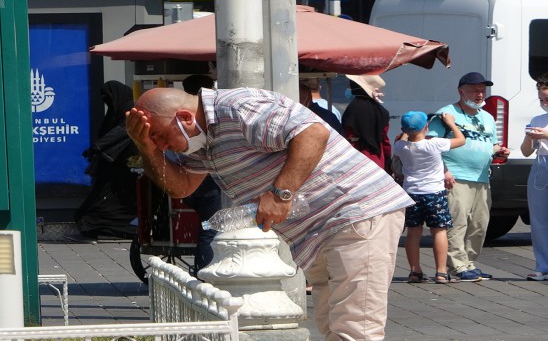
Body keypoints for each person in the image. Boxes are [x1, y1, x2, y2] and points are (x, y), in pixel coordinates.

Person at [125, 86, 414, 340]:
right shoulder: (202, 140)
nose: (164, 147)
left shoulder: (237, 108)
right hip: (319, 229)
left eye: (160, 137)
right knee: (333, 324)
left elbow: (313, 132)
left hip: (355, 211)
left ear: (185, 118)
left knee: (356, 328)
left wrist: (281, 193)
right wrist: (146, 148)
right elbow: (181, 187)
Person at [427, 72, 510, 282]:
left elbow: (490, 144)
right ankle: (458, 266)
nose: (480, 94)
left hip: (482, 178)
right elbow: (431, 146)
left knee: (480, 224)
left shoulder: (487, 117)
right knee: (457, 223)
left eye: (482, 90)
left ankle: (469, 262)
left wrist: (499, 150)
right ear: (460, 91)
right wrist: (444, 170)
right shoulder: (447, 114)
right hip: (456, 177)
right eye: (474, 90)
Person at [394, 111, 465, 284]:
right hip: (434, 192)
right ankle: (441, 271)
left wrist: (405, 130)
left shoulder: (400, 146)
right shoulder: (434, 144)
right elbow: (461, 140)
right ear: (426, 127)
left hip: (411, 192)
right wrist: (451, 123)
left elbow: (403, 138)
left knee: (413, 231)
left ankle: (415, 271)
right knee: (439, 230)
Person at [73, 81, 139, 241]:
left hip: (123, 169)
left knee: (103, 204)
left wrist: (97, 147)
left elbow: (121, 131)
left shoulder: (130, 111)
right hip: (113, 168)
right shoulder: (116, 111)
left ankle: (124, 229)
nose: (105, 100)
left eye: (107, 96)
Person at [180, 74, 222, 274]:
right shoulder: (207, 115)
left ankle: (203, 270)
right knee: (210, 228)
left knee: (209, 227)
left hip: (193, 182)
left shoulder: (183, 116)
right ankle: (205, 272)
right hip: (208, 184)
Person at [521, 76, 548, 281]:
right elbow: (525, 152)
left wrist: (545, 136)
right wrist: (530, 138)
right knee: (538, 219)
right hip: (540, 166)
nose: (544, 103)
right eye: (541, 99)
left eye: (547, 99)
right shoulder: (537, 119)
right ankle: (543, 265)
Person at [341, 74, 392, 172]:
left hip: (355, 160)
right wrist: (388, 161)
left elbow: (348, 135)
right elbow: (385, 140)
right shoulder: (381, 111)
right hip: (377, 160)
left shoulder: (352, 109)